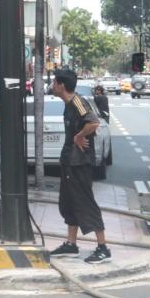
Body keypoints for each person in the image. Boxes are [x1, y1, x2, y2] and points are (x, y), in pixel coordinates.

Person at [47, 69, 111, 264]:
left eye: (54, 82)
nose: (52, 85)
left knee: (85, 202)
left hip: (79, 163)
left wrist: (79, 136)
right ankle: (71, 244)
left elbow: (93, 122)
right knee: (68, 203)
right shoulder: (69, 104)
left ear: (61, 85)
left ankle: (103, 248)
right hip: (69, 162)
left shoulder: (77, 102)